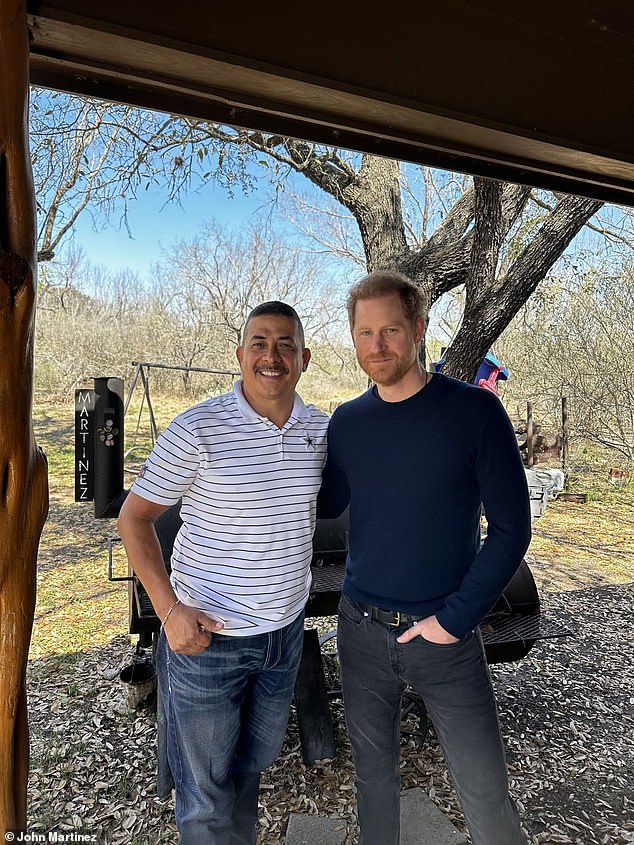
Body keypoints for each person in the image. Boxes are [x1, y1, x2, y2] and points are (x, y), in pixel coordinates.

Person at [317, 271, 531, 845]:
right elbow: (323, 501)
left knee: (483, 787)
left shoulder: (474, 414)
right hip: (360, 631)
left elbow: (511, 529)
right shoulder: (347, 423)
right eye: (364, 333)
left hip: (447, 638)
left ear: (418, 329)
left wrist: (454, 621)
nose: (377, 345)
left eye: (389, 330)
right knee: (372, 780)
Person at [118, 302, 329, 845]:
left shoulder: (321, 433)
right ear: (239, 355)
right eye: (259, 343)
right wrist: (169, 611)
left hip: (282, 641)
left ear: (304, 358)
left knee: (249, 774)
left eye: (285, 344)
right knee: (204, 798)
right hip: (207, 643)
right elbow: (134, 520)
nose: (271, 356)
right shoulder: (197, 430)